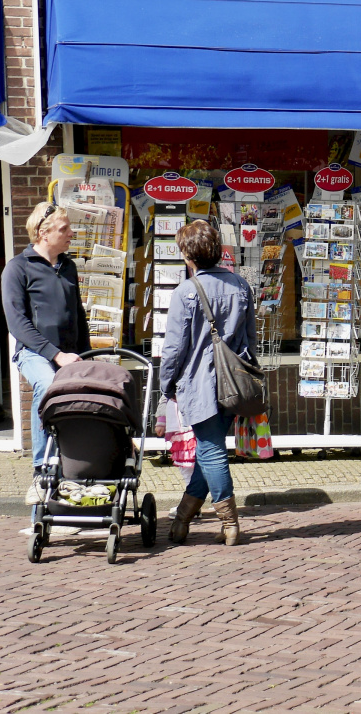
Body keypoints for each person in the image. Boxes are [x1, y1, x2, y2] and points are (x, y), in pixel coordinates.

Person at [159, 220, 256, 546]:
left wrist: (166, 386)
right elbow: (250, 340)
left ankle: (230, 524)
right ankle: (183, 519)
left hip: (200, 386)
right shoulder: (242, 286)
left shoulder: (185, 293)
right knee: (207, 448)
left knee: (212, 452)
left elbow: (173, 349)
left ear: (187, 255)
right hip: (235, 384)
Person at [1, 202, 90, 500]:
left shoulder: (69, 266)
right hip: (34, 353)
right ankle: (41, 470)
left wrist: (87, 357)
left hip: (69, 353)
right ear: (43, 232)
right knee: (48, 384)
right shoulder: (17, 268)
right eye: (64, 229)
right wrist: (55, 355)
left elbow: (78, 315)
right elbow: (18, 324)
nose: (71, 234)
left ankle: (75, 473)